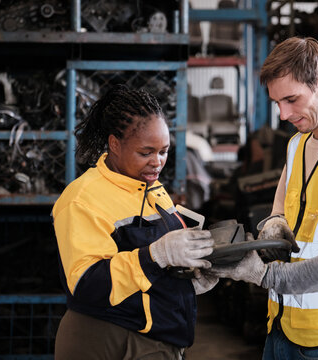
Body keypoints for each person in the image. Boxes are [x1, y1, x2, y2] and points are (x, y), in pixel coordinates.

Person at [207, 37, 318, 359]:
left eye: (291, 100)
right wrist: (267, 233)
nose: (282, 114)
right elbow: (281, 215)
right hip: (282, 325)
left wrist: (265, 275)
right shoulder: (297, 145)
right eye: (277, 102)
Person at [52, 84, 218, 359]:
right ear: (115, 144)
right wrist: (153, 256)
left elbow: (160, 269)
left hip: (158, 339)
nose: (157, 162)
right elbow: (87, 285)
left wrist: (192, 281)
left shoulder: (151, 188)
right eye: (146, 152)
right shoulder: (82, 200)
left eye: (164, 151)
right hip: (107, 341)